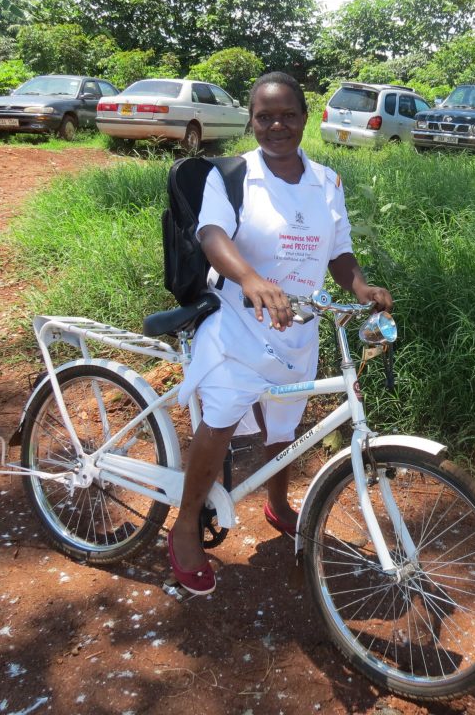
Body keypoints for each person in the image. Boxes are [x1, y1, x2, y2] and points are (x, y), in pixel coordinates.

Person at [167, 71, 393, 595]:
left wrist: (361, 286)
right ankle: (184, 526)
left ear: (305, 118)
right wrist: (250, 279)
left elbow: (339, 251)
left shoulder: (327, 182)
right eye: (265, 116)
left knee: (283, 425)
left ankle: (277, 504)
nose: (277, 125)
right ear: (251, 121)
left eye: (288, 115)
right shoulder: (231, 176)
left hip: (298, 326)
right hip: (238, 322)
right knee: (221, 419)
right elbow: (212, 234)